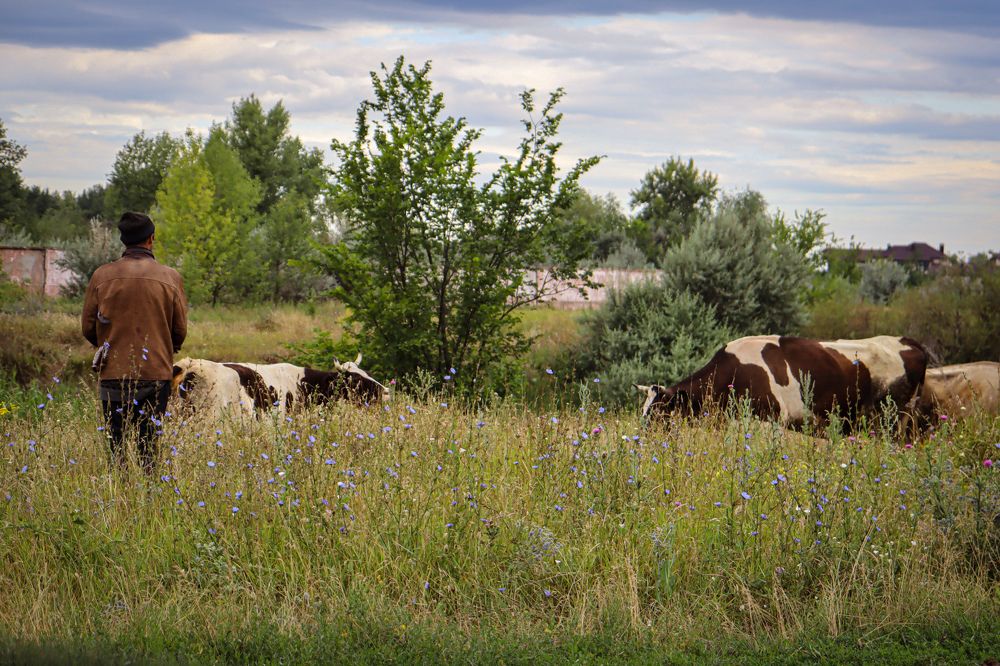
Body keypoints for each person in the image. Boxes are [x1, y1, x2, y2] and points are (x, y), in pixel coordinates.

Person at [82, 212, 187, 472]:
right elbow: (180, 331)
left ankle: (120, 496)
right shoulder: (170, 277)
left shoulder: (101, 276)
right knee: (148, 444)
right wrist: (163, 348)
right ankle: (147, 498)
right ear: (151, 239)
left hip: (112, 375)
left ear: (123, 240)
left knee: (116, 446)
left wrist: (110, 344)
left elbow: (87, 327)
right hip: (155, 375)